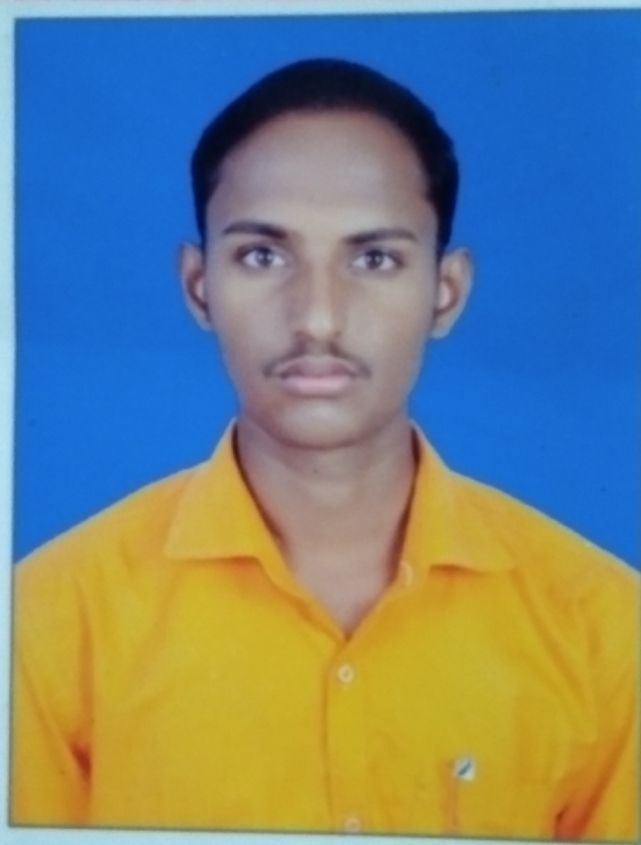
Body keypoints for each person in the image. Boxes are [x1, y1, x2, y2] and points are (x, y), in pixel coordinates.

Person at [11, 58, 639, 840]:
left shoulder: (604, 626)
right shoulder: (46, 623)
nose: (317, 317)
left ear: (444, 292)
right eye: (263, 256)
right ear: (199, 285)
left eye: (373, 259)